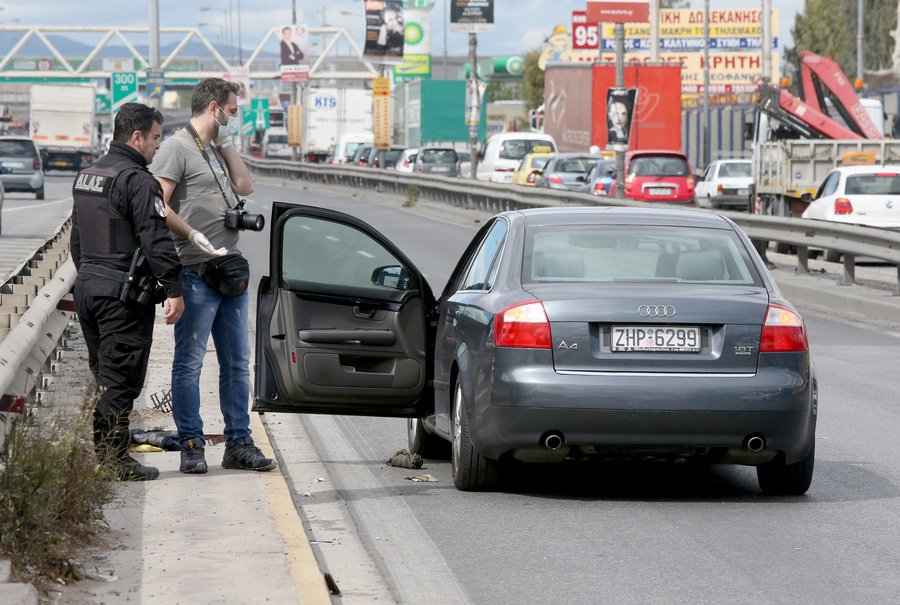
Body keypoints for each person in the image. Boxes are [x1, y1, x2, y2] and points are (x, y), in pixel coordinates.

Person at [150, 78, 277, 474]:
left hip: (229, 269)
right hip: (194, 269)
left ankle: (238, 442)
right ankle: (191, 442)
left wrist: (225, 143)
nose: (235, 118)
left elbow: (245, 185)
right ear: (213, 108)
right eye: (232, 112)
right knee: (189, 363)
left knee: (238, 363)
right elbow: (156, 203)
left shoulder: (214, 148)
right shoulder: (175, 148)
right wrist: (190, 233)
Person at [71, 102, 185, 481]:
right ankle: (113, 462)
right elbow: (155, 238)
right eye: (154, 138)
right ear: (136, 137)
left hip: (88, 288)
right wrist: (174, 289)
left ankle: (105, 455)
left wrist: (90, 276)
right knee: (120, 380)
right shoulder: (137, 180)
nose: (157, 145)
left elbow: (77, 239)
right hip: (121, 294)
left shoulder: (89, 174)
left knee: (105, 376)